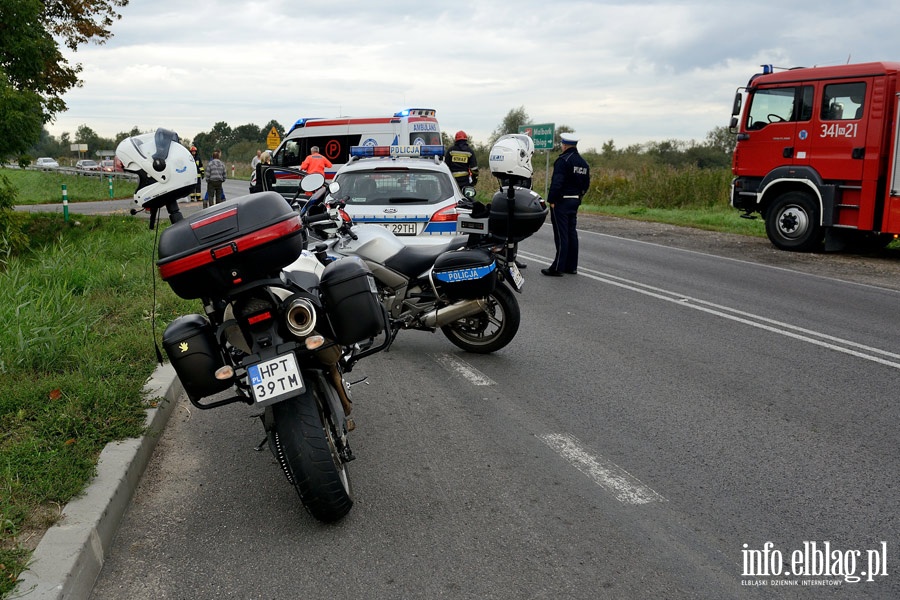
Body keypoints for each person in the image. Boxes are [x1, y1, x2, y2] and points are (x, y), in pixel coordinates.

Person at [542, 132, 591, 277]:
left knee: (561, 234)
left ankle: (557, 267)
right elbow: (586, 184)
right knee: (571, 233)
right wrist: (579, 197)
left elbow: (557, 183)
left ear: (564, 145)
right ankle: (571, 266)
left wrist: (551, 200)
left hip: (561, 201)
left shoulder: (563, 161)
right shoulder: (583, 163)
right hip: (575, 200)